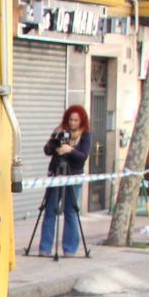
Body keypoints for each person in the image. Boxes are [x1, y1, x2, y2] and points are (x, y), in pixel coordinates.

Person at [38, 105, 92, 256]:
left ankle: (69, 249)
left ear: (81, 121)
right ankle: (45, 248)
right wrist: (54, 143)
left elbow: (83, 157)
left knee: (70, 211)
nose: (72, 123)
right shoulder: (59, 130)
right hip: (56, 174)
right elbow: (47, 150)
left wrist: (70, 150)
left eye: (76, 120)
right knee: (50, 210)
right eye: (70, 120)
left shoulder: (85, 135)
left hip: (73, 176)